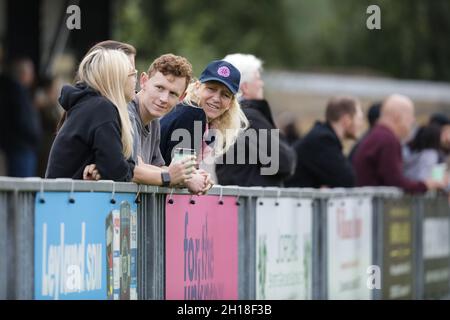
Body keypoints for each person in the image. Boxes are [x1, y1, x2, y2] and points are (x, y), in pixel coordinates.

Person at [78, 40, 211, 193]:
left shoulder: (154, 121)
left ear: (181, 98)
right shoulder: (124, 112)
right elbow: (135, 168)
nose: (164, 99)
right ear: (144, 81)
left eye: (173, 94)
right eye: (159, 88)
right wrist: (180, 177)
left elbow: (157, 167)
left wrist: (190, 175)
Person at [45, 48, 137, 181]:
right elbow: (117, 172)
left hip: (65, 198)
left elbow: (115, 167)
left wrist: (103, 169)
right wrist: (112, 169)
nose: (136, 80)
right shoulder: (101, 108)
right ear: (117, 78)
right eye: (132, 74)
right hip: (66, 198)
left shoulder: (92, 106)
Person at [215, 53, 296, 187]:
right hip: (253, 204)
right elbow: (284, 163)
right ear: (245, 87)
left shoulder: (228, 116)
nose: (261, 83)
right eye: (258, 78)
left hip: (237, 201)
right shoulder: (248, 118)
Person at [160, 60, 248, 177]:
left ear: (230, 104)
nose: (216, 98)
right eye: (211, 88)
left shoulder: (207, 125)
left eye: (225, 95)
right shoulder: (193, 113)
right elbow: (179, 173)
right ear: (197, 87)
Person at [352, 94, 444, 193]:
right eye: (410, 117)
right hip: (372, 205)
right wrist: (426, 185)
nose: (413, 121)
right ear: (397, 117)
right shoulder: (388, 140)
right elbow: (396, 182)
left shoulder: (377, 135)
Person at [285, 96, 363, 188]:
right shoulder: (323, 140)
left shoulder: (322, 136)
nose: (360, 124)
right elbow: (347, 179)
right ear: (346, 120)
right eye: (359, 118)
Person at [0, 57, 42, 177]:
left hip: (21, 147)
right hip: (21, 148)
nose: (32, 76)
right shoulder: (17, 92)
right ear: (23, 74)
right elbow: (24, 121)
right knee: (21, 186)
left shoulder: (18, 91)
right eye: (30, 73)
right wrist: (34, 137)